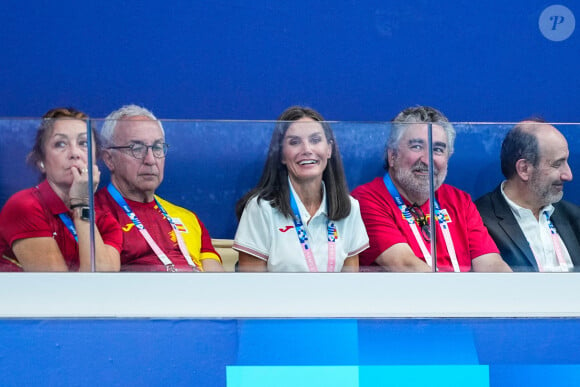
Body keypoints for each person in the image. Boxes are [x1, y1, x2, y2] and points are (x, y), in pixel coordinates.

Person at [351, 106, 511, 272]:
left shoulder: (460, 201)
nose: (427, 160)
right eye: (417, 146)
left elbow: (492, 265)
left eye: (438, 150)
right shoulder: (367, 199)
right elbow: (406, 266)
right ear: (393, 156)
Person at [233, 106, 369, 272]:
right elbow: (251, 290)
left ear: (329, 149)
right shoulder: (261, 208)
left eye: (315, 140)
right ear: (281, 155)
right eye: (295, 142)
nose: (307, 150)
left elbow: (350, 287)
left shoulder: (350, 207)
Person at [95, 105, 223, 272]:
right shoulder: (94, 215)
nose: (150, 160)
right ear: (109, 159)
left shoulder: (187, 218)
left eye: (157, 148)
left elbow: (218, 283)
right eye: (137, 148)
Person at [0, 108, 121, 272]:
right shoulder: (23, 206)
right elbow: (56, 289)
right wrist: (81, 203)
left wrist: (82, 205)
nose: (74, 153)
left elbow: (103, 284)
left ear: (95, 157)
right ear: (41, 161)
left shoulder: (106, 220)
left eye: (83, 143)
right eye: (60, 144)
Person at [475, 119, 580, 272]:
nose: (568, 175)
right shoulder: (480, 220)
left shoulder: (574, 216)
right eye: (557, 164)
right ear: (524, 169)